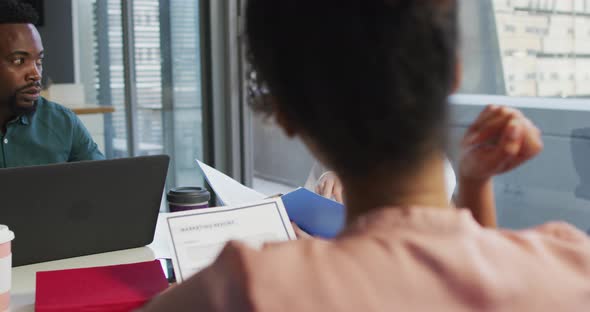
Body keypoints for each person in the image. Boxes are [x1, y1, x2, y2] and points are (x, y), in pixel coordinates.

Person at [141, 0, 590, 311]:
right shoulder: (571, 266)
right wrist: (474, 186)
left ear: (286, 114)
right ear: (452, 74)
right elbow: (487, 285)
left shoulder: (242, 290)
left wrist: (325, 263)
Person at [0, 0, 104, 168]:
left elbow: (106, 181)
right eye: (19, 60)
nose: (35, 74)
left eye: (38, 61)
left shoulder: (63, 123)